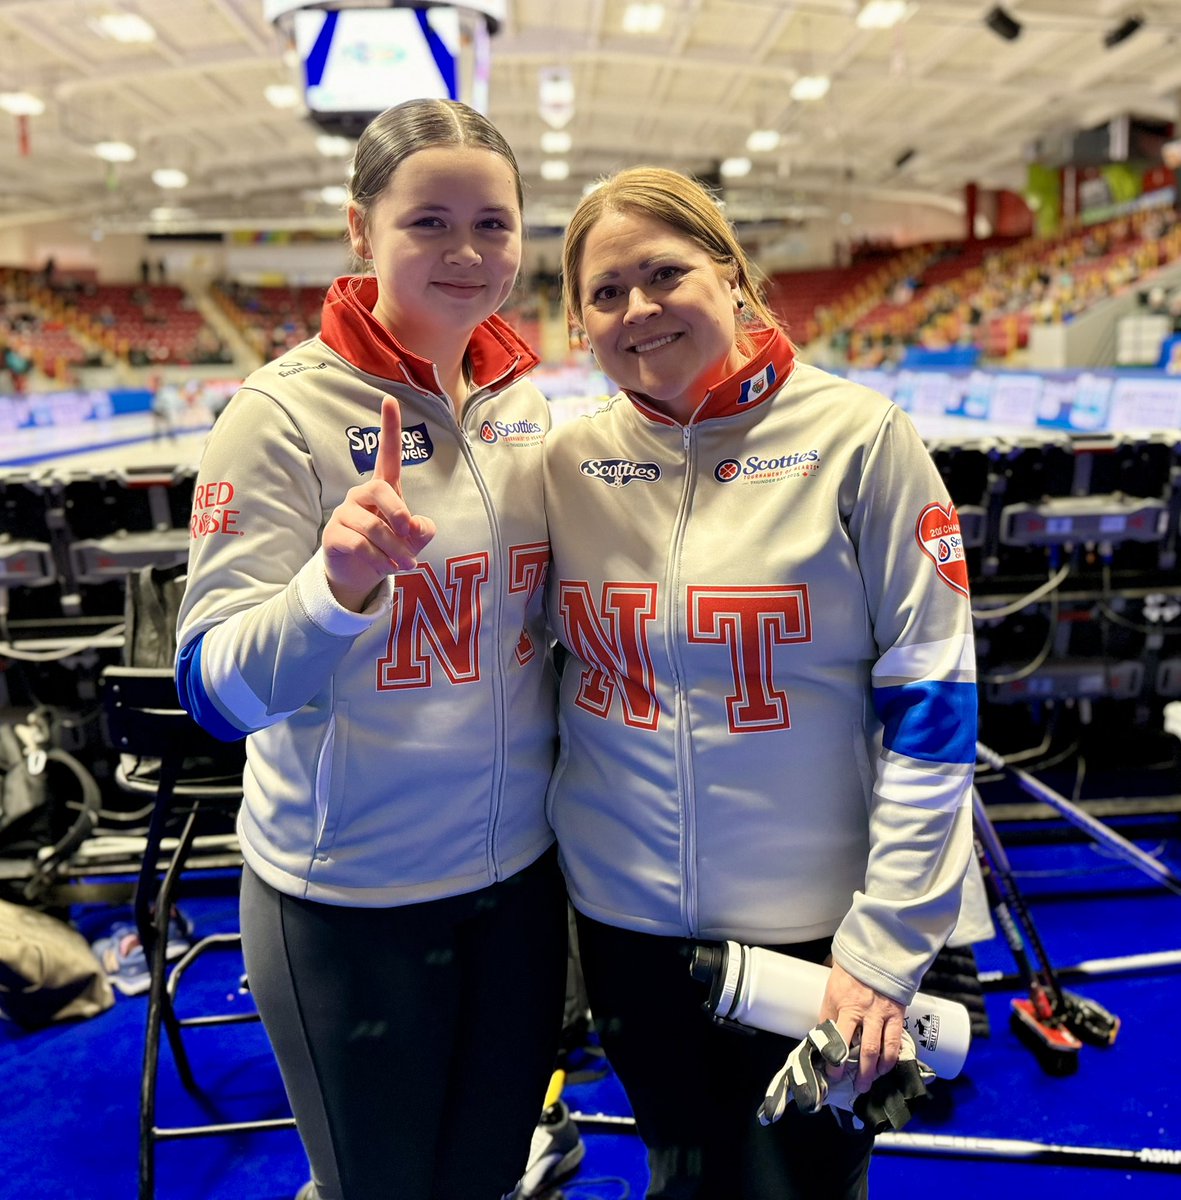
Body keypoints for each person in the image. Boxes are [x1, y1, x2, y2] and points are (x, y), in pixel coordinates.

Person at [543, 166, 978, 1198]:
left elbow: (932, 709)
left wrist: (883, 949)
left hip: (816, 942)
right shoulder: (563, 466)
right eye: (606, 292)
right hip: (626, 933)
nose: (638, 310)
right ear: (577, 322)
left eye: (665, 274)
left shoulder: (859, 440)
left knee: (802, 1185)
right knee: (680, 1173)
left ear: (731, 278)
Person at [174, 98, 569, 1200]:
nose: (467, 252)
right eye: (428, 222)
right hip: (350, 908)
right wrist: (332, 586)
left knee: (488, 1176)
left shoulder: (522, 404)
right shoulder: (277, 416)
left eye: (492, 224)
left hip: (519, 891)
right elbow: (212, 689)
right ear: (361, 230)